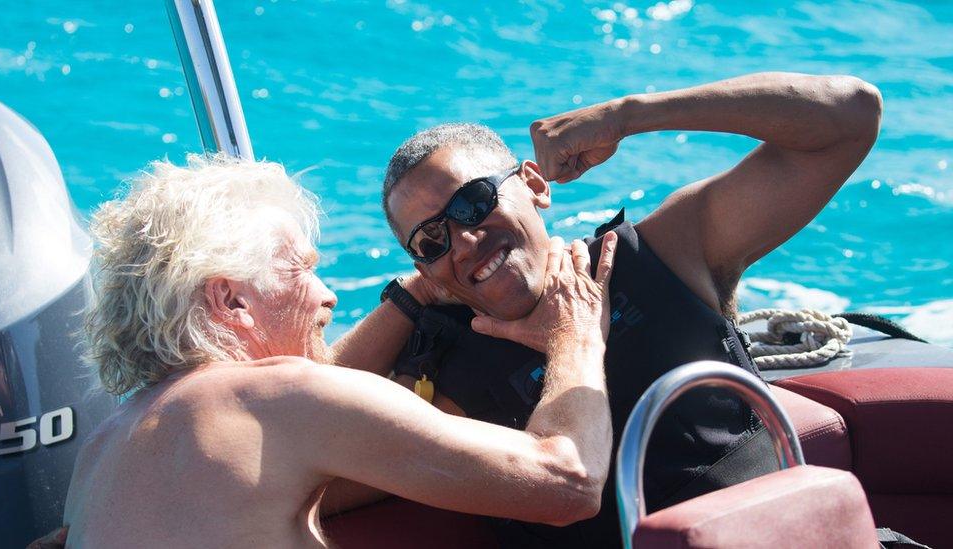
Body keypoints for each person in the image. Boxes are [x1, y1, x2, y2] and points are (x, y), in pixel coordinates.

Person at [382, 72, 882, 546]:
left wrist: (629, 115)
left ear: (534, 185)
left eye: (472, 201)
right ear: (425, 268)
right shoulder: (442, 379)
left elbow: (852, 116)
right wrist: (409, 298)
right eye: (431, 241)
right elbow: (311, 427)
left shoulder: (664, 256)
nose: (465, 241)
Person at [58, 154, 620, 547]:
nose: (327, 296)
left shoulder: (103, 450)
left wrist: (423, 285)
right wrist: (576, 334)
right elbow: (567, 482)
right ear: (231, 302)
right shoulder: (279, 399)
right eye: (302, 270)